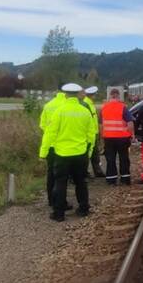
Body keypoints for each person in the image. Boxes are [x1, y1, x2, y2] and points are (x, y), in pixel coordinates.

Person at [39, 83, 96, 221]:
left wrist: (43, 152)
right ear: (77, 94)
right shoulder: (85, 111)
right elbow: (91, 134)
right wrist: (89, 151)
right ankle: (83, 208)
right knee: (81, 182)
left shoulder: (59, 111)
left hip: (62, 154)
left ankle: (59, 214)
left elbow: (49, 133)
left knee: (60, 183)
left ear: (65, 95)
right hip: (80, 153)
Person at [38, 87, 67, 208]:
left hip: (50, 145)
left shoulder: (48, 105)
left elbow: (42, 125)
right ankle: (61, 202)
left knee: (51, 174)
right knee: (62, 176)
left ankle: (51, 200)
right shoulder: (67, 106)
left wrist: (51, 133)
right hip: (63, 146)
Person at [100, 88, 135, 185]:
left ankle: (111, 180)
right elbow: (130, 123)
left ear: (110, 96)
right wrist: (131, 135)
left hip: (108, 138)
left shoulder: (104, 108)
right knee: (124, 158)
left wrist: (102, 137)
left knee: (110, 159)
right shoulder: (123, 107)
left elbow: (101, 125)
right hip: (122, 138)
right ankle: (125, 179)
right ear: (118, 96)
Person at [78, 86, 104, 178]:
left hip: (93, 132)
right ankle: (86, 172)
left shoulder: (89, 103)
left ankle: (97, 171)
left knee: (95, 153)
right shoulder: (86, 104)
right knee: (89, 153)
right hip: (89, 133)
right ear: (92, 95)